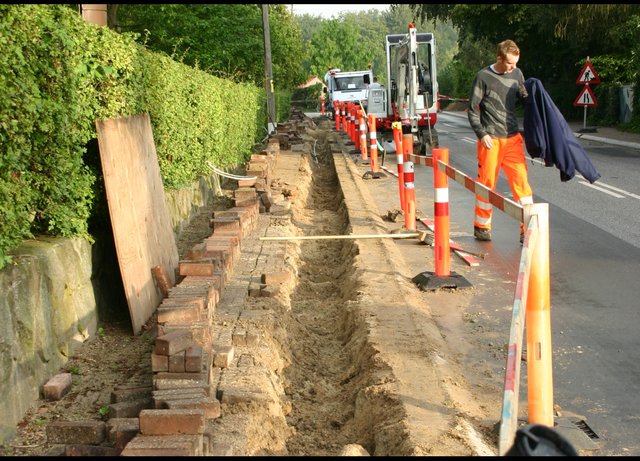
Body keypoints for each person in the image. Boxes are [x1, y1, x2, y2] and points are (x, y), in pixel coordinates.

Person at [468, 39, 533, 244]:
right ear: (499, 58)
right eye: (510, 64)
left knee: (522, 185)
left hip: (513, 139)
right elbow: (472, 110)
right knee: (487, 184)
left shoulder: (517, 74)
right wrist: (482, 134)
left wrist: (535, 97)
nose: (514, 68)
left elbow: (525, 97)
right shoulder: (483, 77)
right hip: (491, 140)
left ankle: (528, 230)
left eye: (516, 64)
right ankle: (482, 226)